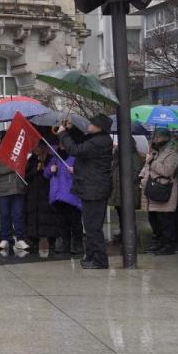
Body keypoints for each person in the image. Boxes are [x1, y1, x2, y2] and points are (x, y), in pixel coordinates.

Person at [58, 114, 114, 269]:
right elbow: (82, 139)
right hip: (91, 187)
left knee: (93, 226)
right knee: (89, 225)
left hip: (94, 188)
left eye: (92, 123)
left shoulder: (100, 142)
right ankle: (90, 256)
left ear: (99, 127)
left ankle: (100, 260)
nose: (89, 125)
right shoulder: (98, 139)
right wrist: (71, 129)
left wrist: (63, 133)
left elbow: (76, 149)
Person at [139, 126, 178, 255]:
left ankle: (168, 244)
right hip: (151, 189)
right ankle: (159, 242)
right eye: (155, 136)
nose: (156, 139)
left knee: (165, 220)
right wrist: (142, 176)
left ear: (166, 138)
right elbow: (147, 167)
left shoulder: (172, 153)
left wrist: (151, 162)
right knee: (154, 219)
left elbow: (167, 171)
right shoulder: (155, 151)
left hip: (163, 189)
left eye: (159, 136)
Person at [0, 132, 27, 252]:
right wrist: (10, 167)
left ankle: (20, 239)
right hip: (2, 189)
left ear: (0, 137)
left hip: (17, 187)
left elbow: (22, 163)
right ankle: (5, 238)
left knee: (18, 214)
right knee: (4, 214)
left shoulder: (14, 149)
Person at [44, 145, 82, 255]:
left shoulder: (75, 157)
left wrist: (76, 171)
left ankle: (77, 244)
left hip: (72, 196)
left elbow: (85, 173)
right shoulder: (54, 158)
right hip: (58, 196)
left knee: (75, 221)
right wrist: (50, 170)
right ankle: (65, 244)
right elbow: (46, 174)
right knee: (62, 222)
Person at [23, 141, 60, 253]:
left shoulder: (51, 159)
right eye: (34, 147)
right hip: (33, 193)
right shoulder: (32, 160)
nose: (35, 149)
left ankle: (51, 241)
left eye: (38, 147)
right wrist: (36, 170)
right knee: (34, 217)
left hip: (47, 192)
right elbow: (27, 175)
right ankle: (33, 240)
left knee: (49, 217)